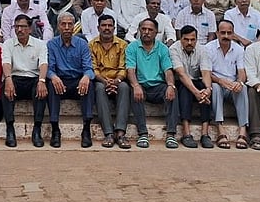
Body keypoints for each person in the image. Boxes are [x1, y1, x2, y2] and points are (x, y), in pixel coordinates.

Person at [126, 18, 179, 149]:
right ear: (139, 30)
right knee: (133, 91)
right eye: (143, 29)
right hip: (141, 85)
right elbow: (130, 70)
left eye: (150, 30)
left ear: (156, 32)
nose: (146, 32)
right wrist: (136, 85)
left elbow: (168, 70)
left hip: (158, 86)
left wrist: (170, 85)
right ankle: (143, 134)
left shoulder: (162, 48)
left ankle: (171, 134)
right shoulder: (132, 47)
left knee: (173, 90)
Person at [46, 12, 96, 148]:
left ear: (74, 26)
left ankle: (86, 129)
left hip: (77, 82)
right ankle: (55, 130)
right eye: (63, 24)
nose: (67, 27)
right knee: (51, 85)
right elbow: (49, 68)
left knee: (89, 84)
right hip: (60, 81)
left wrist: (86, 76)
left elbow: (88, 68)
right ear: (58, 26)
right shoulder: (51, 44)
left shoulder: (82, 44)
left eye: (70, 24)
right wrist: (53, 76)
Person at [1, 14, 49, 148]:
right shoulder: (8, 44)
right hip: (15, 78)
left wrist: (42, 80)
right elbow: (6, 63)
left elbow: (43, 63)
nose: (19, 30)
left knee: (41, 89)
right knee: (5, 87)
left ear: (30, 29)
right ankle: (10, 129)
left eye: (23, 26)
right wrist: (8, 79)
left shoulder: (40, 44)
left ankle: (37, 129)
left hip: (33, 78)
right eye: (16, 27)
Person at [87, 14, 130, 149]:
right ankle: (109, 133)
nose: (107, 28)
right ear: (98, 28)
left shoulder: (122, 45)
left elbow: (123, 67)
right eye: (104, 25)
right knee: (99, 89)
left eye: (110, 25)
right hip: (100, 80)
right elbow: (93, 68)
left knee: (124, 87)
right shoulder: (91, 45)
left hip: (118, 80)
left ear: (114, 28)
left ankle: (120, 133)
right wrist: (105, 81)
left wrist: (116, 81)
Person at [205, 20, 250, 149]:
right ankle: (220, 129)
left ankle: (242, 130)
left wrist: (239, 82)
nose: (225, 36)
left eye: (229, 33)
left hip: (232, 86)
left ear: (233, 34)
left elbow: (241, 71)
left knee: (243, 88)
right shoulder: (208, 48)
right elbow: (206, 73)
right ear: (217, 33)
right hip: (217, 83)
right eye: (223, 32)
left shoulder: (239, 49)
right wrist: (220, 81)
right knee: (215, 87)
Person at [170, 25, 214, 149]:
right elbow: (181, 74)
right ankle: (186, 133)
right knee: (185, 89)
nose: (189, 42)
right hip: (181, 82)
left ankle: (205, 134)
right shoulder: (174, 49)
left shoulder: (202, 49)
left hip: (197, 80)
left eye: (192, 39)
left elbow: (206, 72)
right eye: (186, 39)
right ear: (181, 39)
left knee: (205, 89)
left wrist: (208, 89)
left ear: (196, 39)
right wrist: (196, 92)